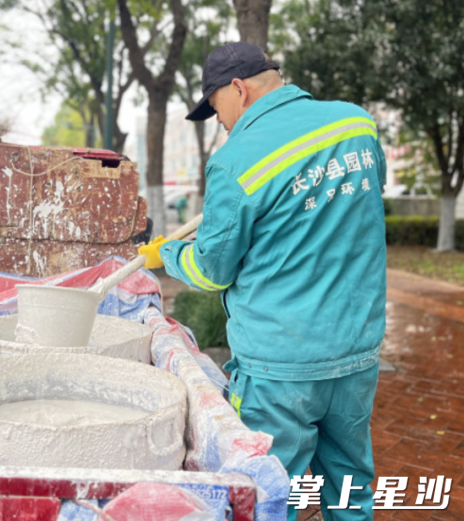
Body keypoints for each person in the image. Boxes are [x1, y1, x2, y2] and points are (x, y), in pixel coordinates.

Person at [139, 42, 387, 521]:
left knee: (272, 494)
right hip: (356, 349)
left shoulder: (236, 160)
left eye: (215, 107)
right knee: (350, 484)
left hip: (281, 365)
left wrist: (167, 254)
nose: (219, 121)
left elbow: (212, 271)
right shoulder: (356, 122)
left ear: (238, 88)